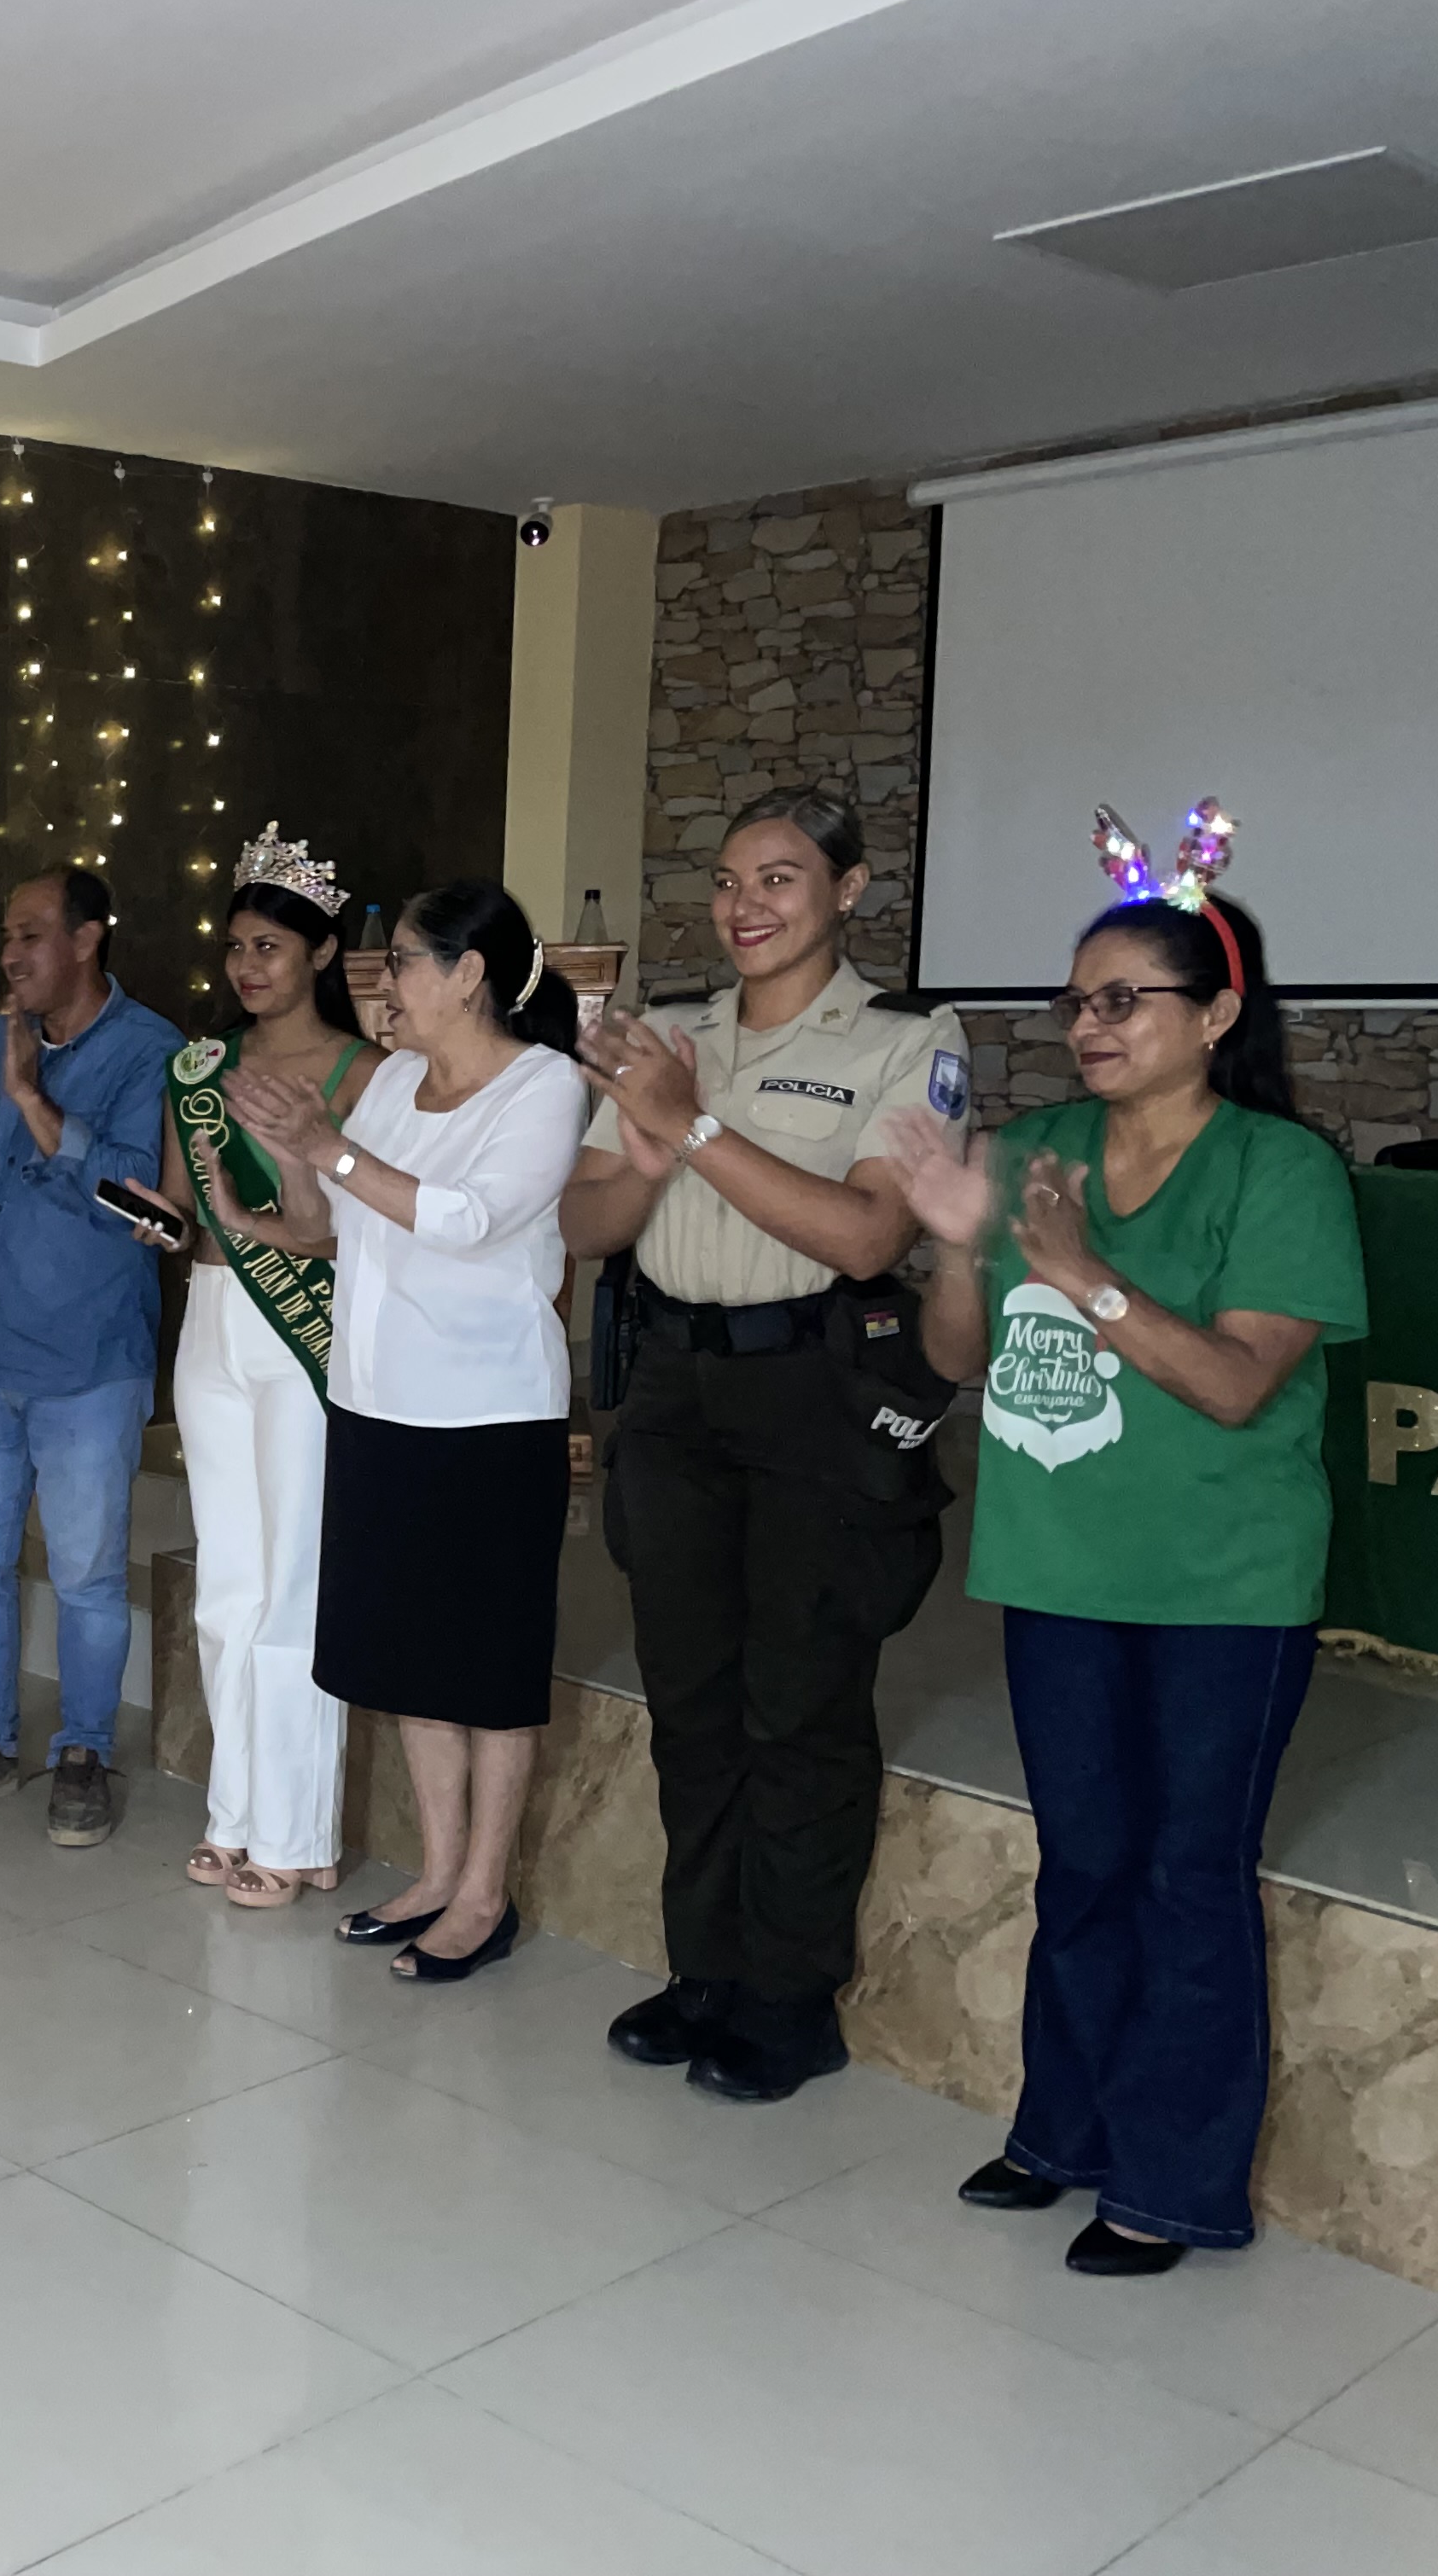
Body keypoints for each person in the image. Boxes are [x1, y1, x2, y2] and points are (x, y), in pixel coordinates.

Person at [887, 878, 1360, 2276]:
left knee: (1186, 1872)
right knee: (1084, 1859)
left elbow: (1235, 1381)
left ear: (1214, 1016)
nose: (1086, 1025)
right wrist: (954, 1238)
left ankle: (1176, 2179)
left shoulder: (1281, 1169)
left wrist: (1085, 1273)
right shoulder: (1035, 1148)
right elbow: (957, 1355)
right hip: (1059, 1568)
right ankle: (1065, 2129)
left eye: (1121, 1000)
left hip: (1223, 1584)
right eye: (1076, 1002)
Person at [560, 788, 968, 2102]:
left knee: (801, 1705)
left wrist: (692, 1129)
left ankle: (790, 2000)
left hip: (814, 1390)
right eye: (731, 881)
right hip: (674, 1385)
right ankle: (705, 1973)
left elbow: (867, 1235)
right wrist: (645, 1149)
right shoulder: (671, 1033)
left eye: (779, 879)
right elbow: (587, 1227)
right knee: (690, 1700)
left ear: (847, 892)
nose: (745, 905)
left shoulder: (906, 1041)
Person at [234, 881, 584, 1979]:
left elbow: (469, 1220)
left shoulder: (544, 1086)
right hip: (377, 1403)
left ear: (469, 974)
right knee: (415, 1657)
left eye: (402, 961)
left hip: (490, 1415)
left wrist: (327, 1147)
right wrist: (287, 1160)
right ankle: (436, 1872)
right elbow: (339, 1225)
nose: (382, 981)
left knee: (487, 1664)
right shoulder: (390, 1083)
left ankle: (485, 1893)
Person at [0, 869, 177, 1847]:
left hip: (85, 1363)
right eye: (6, 936)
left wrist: (25, 1095)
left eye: (30, 935)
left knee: (88, 1574)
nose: (10, 954)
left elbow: (142, 1201)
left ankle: (84, 1754)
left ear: (88, 939)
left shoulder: (151, 1052)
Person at [131, 831, 378, 1905]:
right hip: (213, 1323)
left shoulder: (365, 1073)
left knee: (294, 1585)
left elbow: (369, 1225)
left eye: (269, 947)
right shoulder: (198, 1070)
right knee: (228, 1585)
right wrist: (156, 1221)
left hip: (305, 1326)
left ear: (321, 953)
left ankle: (296, 1830)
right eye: (236, 946)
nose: (247, 966)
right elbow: (188, 1217)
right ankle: (235, 1815)